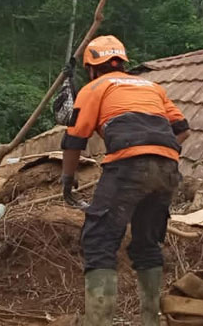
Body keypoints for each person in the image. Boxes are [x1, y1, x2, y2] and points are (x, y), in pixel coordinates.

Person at [57, 35, 190, 326]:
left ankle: (99, 322)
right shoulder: (151, 86)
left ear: (92, 68)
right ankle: (150, 321)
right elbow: (182, 128)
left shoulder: (95, 87)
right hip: (167, 166)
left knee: (99, 241)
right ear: (121, 63)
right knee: (146, 243)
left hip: (128, 167)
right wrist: (159, 154)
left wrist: (67, 180)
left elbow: (74, 139)